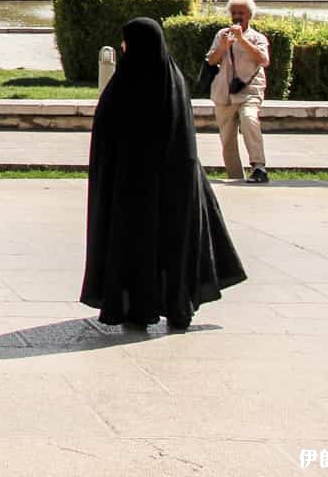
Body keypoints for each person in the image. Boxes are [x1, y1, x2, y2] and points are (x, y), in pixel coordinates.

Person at [82, 18, 247, 331]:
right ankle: (177, 305)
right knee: (174, 245)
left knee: (136, 246)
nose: (122, 47)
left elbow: (109, 138)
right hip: (177, 183)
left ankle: (137, 307)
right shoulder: (172, 80)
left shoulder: (126, 85)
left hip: (132, 187)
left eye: (126, 42)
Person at [206, 0, 271, 183]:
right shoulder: (222, 35)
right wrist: (224, 46)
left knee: (250, 119)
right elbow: (212, 60)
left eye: (241, 13)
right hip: (224, 92)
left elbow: (263, 60)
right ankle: (235, 177)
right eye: (234, 12)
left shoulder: (257, 38)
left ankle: (259, 167)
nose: (237, 16)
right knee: (227, 138)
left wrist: (242, 40)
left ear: (249, 15)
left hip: (249, 91)